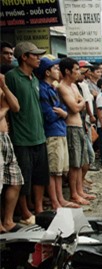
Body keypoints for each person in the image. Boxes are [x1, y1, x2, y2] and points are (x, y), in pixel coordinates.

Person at [5, 42, 49, 225]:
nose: (39, 59)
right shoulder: (12, 77)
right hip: (22, 137)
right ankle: (24, 212)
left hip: (39, 135)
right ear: (24, 57)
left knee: (40, 176)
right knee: (24, 178)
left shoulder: (35, 79)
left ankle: (38, 209)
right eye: (35, 55)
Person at [36, 57, 78, 210]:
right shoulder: (42, 90)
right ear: (47, 72)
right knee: (53, 171)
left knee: (59, 171)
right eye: (55, 69)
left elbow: (64, 110)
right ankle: (55, 202)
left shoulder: (52, 89)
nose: (58, 71)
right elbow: (49, 115)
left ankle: (61, 199)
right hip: (52, 132)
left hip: (60, 131)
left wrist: (62, 113)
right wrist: (61, 113)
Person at [57, 57, 95, 206]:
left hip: (79, 125)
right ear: (67, 71)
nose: (79, 72)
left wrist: (78, 103)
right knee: (74, 163)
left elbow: (82, 103)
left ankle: (79, 191)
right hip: (71, 126)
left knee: (81, 161)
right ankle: (74, 193)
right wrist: (79, 103)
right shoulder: (62, 87)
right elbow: (75, 107)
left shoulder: (73, 86)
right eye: (76, 69)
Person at [0, 72, 23, 232]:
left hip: (5, 137)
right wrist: (4, 109)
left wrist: (4, 86)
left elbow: (15, 106)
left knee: (15, 180)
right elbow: (9, 108)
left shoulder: (2, 88)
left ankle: (8, 220)